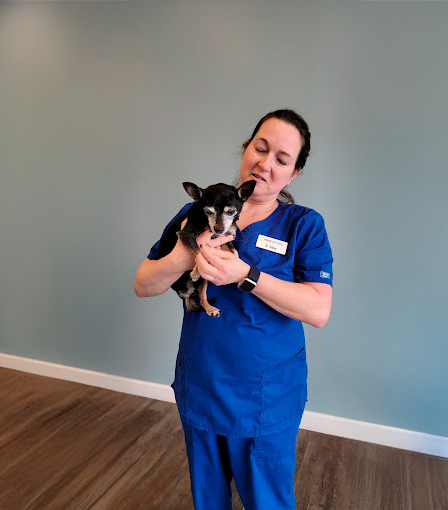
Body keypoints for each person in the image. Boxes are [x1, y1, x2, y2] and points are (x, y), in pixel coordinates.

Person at [134, 109, 333, 510]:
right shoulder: (197, 213)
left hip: (264, 396)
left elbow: (317, 310)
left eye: (281, 159)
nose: (265, 163)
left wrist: (246, 274)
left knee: (267, 502)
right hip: (202, 384)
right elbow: (143, 284)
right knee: (208, 500)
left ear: (293, 175)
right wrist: (186, 252)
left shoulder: (303, 225)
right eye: (260, 148)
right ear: (245, 150)